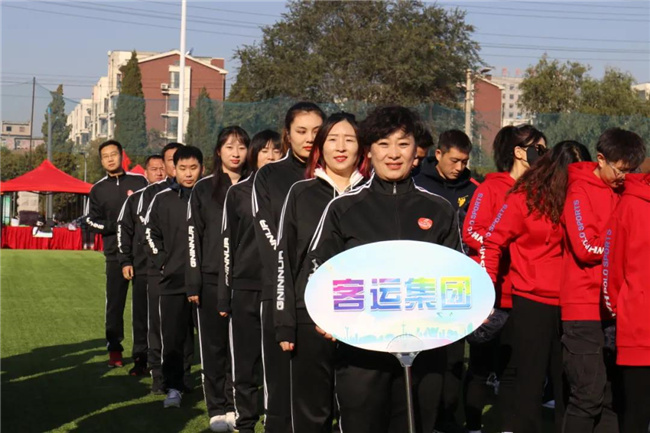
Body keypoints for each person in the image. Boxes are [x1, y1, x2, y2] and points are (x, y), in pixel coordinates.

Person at [306, 106, 460, 433]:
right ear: (369, 150)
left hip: (424, 350)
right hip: (361, 351)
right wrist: (326, 315)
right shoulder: (344, 208)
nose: (393, 154)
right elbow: (320, 268)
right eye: (383, 144)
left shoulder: (439, 209)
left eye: (403, 144)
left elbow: (456, 275)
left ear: (416, 152)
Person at [482, 140, 591, 433]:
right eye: (570, 173)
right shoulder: (523, 198)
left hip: (575, 302)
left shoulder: (583, 199)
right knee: (529, 380)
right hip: (533, 301)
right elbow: (492, 242)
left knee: (570, 380)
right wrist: (486, 291)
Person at [275, 112, 368, 432]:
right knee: (312, 411)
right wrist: (285, 321)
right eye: (332, 139)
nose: (340, 147)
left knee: (358, 409)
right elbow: (283, 258)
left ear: (361, 147)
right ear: (320, 147)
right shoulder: (300, 193)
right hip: (309, 317)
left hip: (362, 317)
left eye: (349, 139)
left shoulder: (371, 195)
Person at [462, 124, 546, 433]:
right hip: (492, 292)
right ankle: (473, 425)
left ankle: (507, 425)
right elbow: (471, 232)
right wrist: (503, 243)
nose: (545, 155)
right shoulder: (491, 188)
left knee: (514, 368)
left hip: (523, 292)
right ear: (520, 152)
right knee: (481, 367)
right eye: (540, 149)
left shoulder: (539, 190)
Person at [561, 128, 646, 433]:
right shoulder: (579, 192)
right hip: (583, 307)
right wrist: (618, 246)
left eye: (631, 170)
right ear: (600, 159)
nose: (625, 177)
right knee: (587, 395)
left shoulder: (626, 192)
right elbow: (585, 247)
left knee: (612, 396)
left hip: (615, 310)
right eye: (620, 170)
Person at [251, 101, 325, 432]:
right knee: (281, 386)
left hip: (328, 293)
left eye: (316, 131)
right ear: (288, 134)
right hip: (281, 291)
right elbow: (267, 232)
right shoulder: (269, 175)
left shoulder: (334, 174)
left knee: (321, 390)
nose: (309, 138)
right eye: (301, 131)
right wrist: (290, 276)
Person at [218, 130, 283, 433]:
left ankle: (274, 419)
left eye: (276, 151)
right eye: (264, 150)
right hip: (244, 286)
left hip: (277, 287)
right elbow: (227, 245)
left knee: (275, 362)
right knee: (244, 361)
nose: (270, 156)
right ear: (254, 154)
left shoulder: (292, 190)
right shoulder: (238, 193)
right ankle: (245, 421)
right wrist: (225, 293)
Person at [414, 129, 479, 432]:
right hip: (422, 285)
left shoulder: (474, 188)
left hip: (455, 286)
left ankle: (448, 417)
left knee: (454, 356)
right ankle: (419, 417)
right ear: (438, 154)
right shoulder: (417, 183)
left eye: (464, 162)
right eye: (454, 160)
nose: (459, 167)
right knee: (424, 355)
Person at [186, 126, 250, 432]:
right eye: (229, 147)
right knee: (213, 347)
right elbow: (193, 237)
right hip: (211, 278)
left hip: (245, 280)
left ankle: (237, 405)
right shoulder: (203, 189)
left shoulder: (255, 186)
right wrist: (193, 281)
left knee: (241, 348)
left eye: (241, 147)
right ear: (219, 151)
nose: (236, 153)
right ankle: (217, 407)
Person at [144, 145, 203, 409]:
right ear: (174, 169)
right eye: (183, 168)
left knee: (207, 339)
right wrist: (163, 262)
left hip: (206, 281)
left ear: (202, 168)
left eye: (193, 168)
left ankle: (206, 385)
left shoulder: (209, 197)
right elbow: (149, 232)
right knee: (173, 336)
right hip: (172, 280)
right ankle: (173, 386)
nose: (188, 174)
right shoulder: (162, 199)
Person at [85, 139, 147, 368]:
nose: (110, 159)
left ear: (122, 155)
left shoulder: (139, 181)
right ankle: (115, 350)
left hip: (141, 254)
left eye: (113, 154)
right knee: (114, 305)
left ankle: (142, 353)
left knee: (143, 307)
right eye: (105, 156)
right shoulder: (98, 189)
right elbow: (90, 221)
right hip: (114, 255)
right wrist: (116, 226)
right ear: (101, 161)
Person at [602, 172, 650, 433]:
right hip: (638, 328)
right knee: (636, 412)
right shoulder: (630, 204)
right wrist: (620, 311)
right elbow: (613, 266)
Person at [137, 142, 185, 393]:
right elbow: (147, 232)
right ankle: (159, 376)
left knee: (184, 330)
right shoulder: (153, 194)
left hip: (189, 274)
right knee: (158, 326)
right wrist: (163, 261)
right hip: (160, 272)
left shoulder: (196, 192)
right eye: (170, 160)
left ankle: (181, 378)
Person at [116, 154, 165, 376]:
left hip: (168, 267)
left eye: (162, 168)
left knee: (165, 316)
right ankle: (140, 358)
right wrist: (125, 260)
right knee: (141, 316)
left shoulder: (175, 196)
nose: (159, 172)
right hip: (142, 267)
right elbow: (123, 229)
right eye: (154, 169)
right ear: (146, 173)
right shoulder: (136, 199)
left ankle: (165, 360)